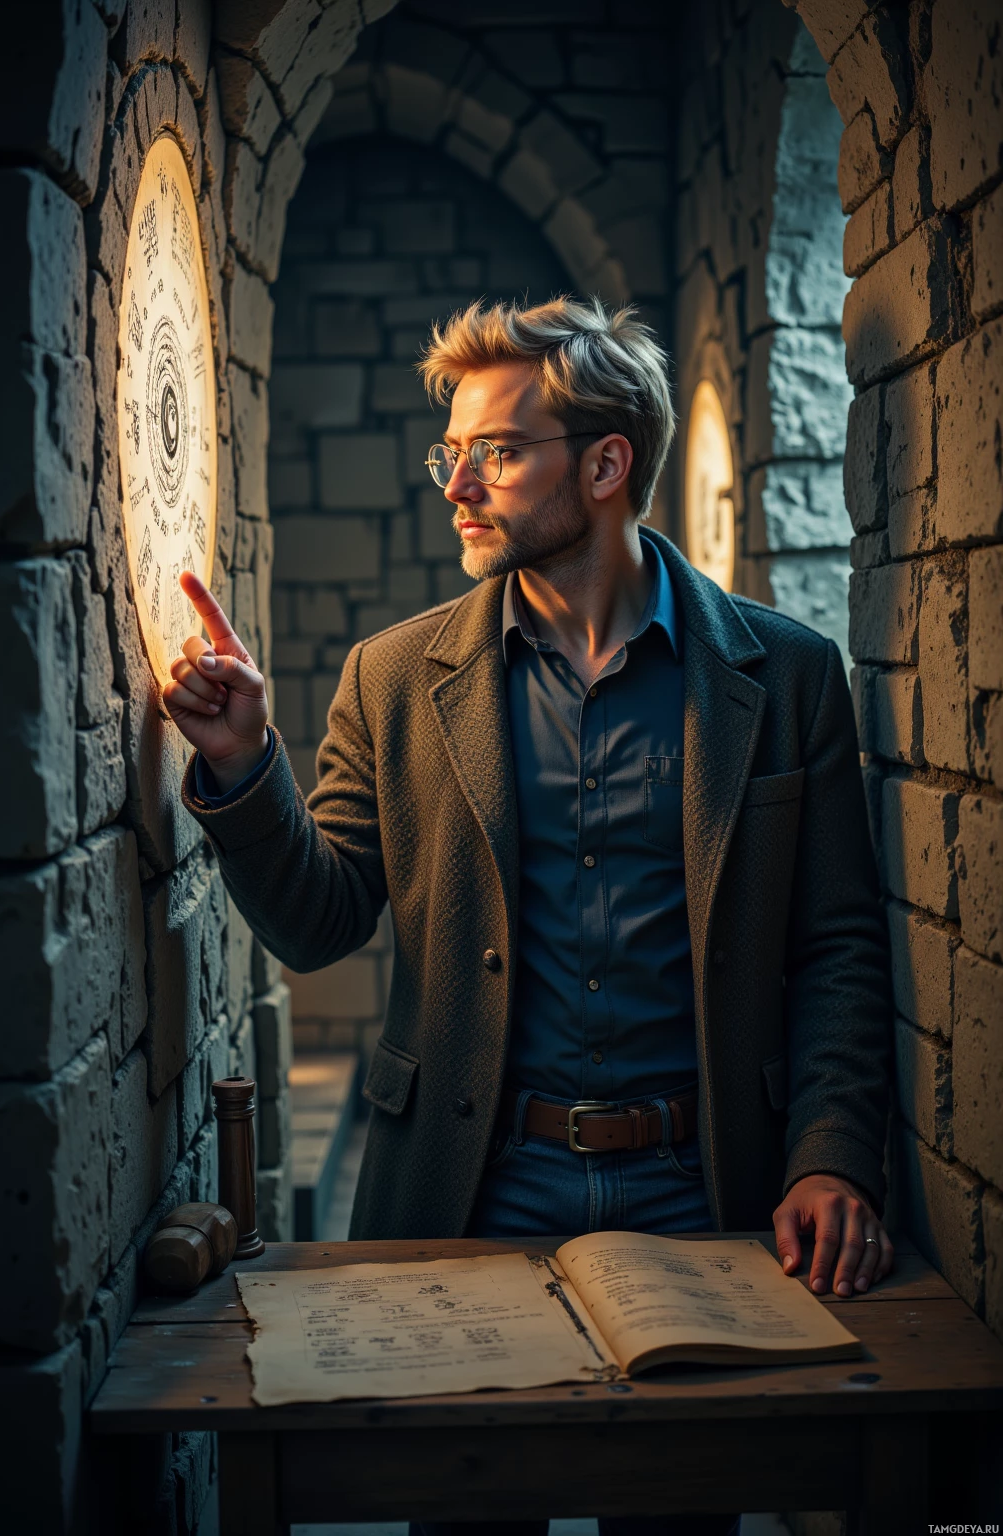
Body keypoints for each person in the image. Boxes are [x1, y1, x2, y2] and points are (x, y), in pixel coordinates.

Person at [168, 297, 893, 1536]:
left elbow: (833, 947)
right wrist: (244, 770)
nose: (457, 482)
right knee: (464, 1513)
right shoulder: (392, 679)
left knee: (678, 1516)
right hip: (471, 1189)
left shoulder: (787, 675)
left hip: (704, 1189)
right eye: (447, 450)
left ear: (607, 465)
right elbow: (319, 918)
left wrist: (829, 1153)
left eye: (496, 450)